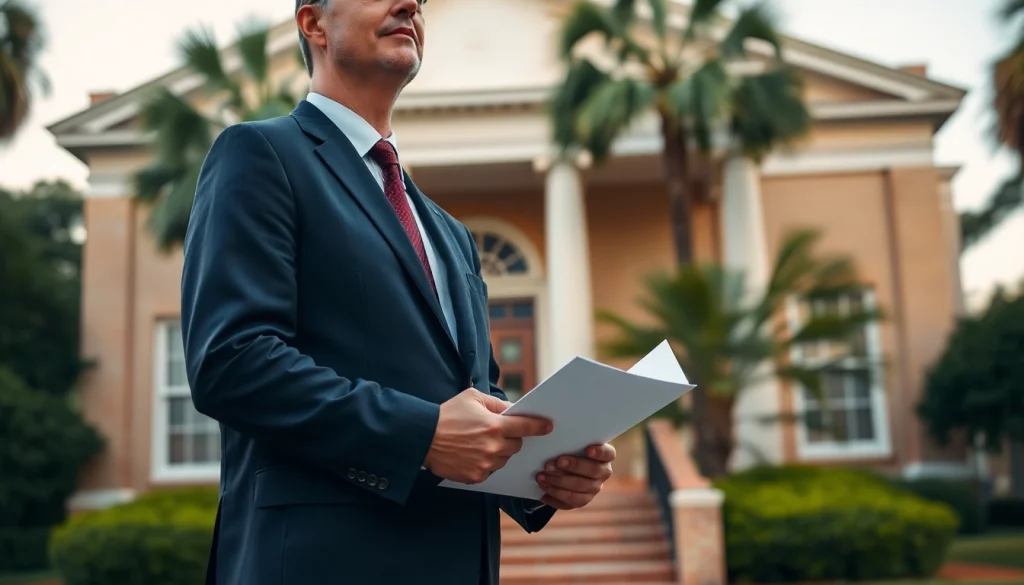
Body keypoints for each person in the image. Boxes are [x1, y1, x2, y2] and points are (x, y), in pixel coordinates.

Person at [179, 0, 618, 583]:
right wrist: (421, 434)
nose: (411, 3)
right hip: (322, 562)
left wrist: (543, 474)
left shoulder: (449, 233)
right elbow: (231, 362)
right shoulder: (261, 154)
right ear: (313, 24)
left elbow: (474, 396)